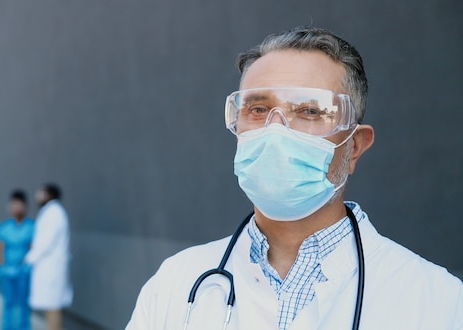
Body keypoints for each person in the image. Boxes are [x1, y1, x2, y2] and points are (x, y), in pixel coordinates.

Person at [126, 27, 463, 329]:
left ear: (355, 147)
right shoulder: (176, 284)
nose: (276, 130)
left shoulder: (440, 302)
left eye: (310, 111)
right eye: (258, 110)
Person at [24, 183, 73, 330]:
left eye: (41, 193)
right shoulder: (50, 212)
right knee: (50, 307)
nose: (37, 196)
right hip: (47, 268)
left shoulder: (55, 213)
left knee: (53, 308)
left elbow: (45, 242)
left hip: (51, 269)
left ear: (49, 194)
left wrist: (29, 258)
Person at [0, 190, 35, 330]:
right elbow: (0, 248)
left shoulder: (31, 226)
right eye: (14, 204)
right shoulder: (5, 227)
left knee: (24, 303)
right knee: (9, 303)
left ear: (25, 206)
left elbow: (33, 248)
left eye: (19, 204)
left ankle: (23, 327)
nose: (16, 208)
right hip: (7, 271)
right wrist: (2, 267)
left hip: (24, 271)